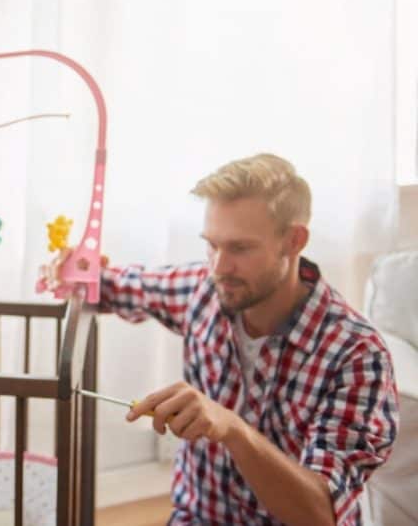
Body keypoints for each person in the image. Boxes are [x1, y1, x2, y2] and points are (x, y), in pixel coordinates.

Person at [99, 153, 398, 525]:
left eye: (240, 248)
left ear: (293, 241)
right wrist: (75, 271)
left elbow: (321, 514)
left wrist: (233, 430)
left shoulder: (356, 355)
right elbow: (117, 286)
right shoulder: (201, 290)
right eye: (212, 244)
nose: (219, 267)